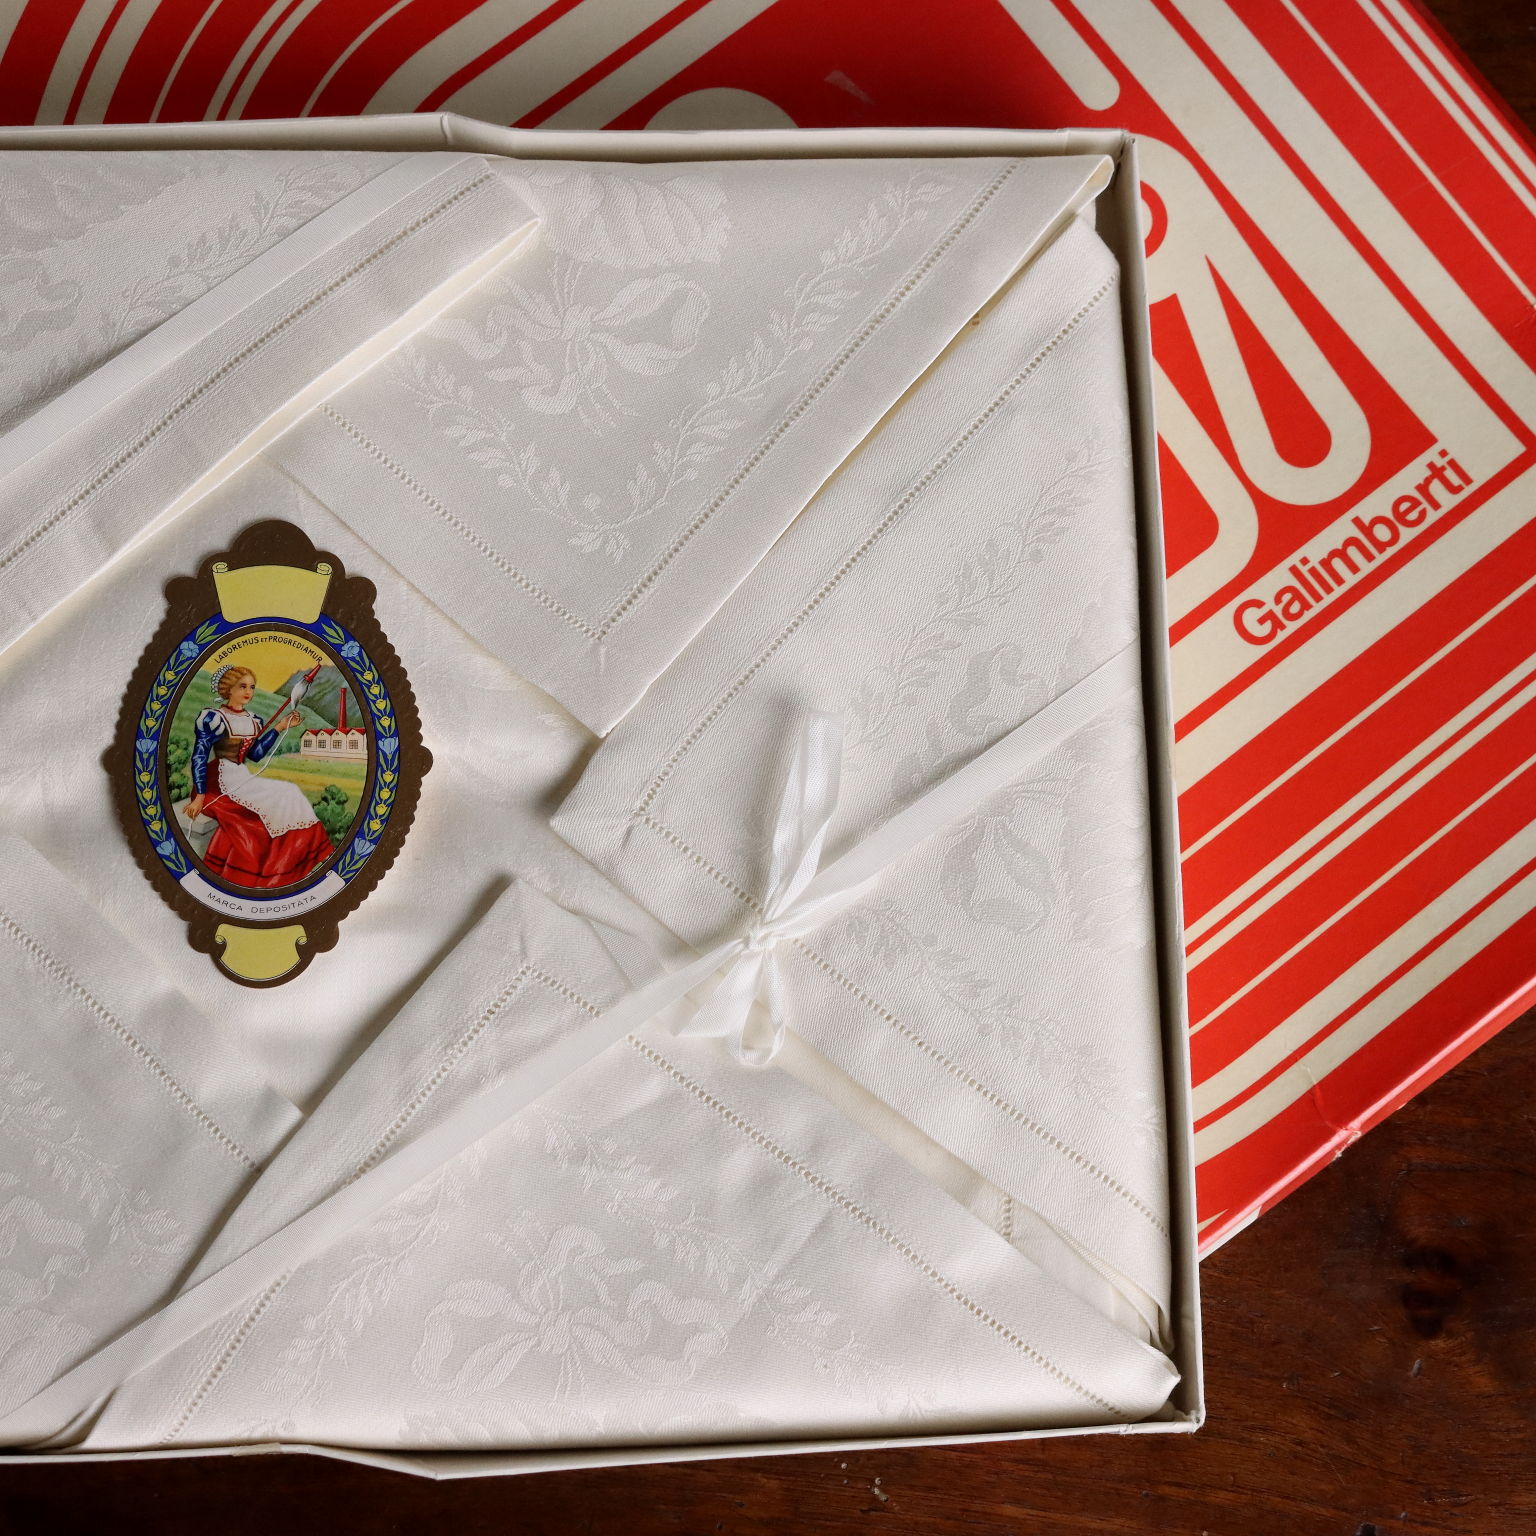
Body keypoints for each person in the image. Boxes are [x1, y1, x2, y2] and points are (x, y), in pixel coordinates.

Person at [185, 664, 333, 889]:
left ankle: (301, 859)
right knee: (256, 822)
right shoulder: (214, 718)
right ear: (228, 689)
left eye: (252, 687)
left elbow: (255, 754)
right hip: (217, 781)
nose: (248, 692)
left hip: (241, 776)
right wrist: (199, 797)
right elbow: (199, 756)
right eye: (242, 686)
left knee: (290, 791)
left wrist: (279, 727)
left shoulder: (253, 719)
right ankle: (257, 874)